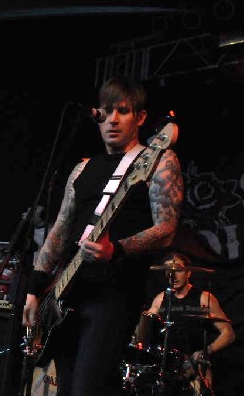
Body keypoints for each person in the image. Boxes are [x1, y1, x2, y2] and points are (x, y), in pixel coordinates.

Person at [22, 76, 184, 395]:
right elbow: (60, 231)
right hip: (66, 293)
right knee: (66, 387)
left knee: (88, 388)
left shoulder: (157, 161)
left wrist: (117, 250)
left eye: (122, 111)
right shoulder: (83, 169)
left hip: (114, 296)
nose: (112, 119)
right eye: (106, 111)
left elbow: (167, 229)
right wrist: (35, 288)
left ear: (140, 117)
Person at [144, 252, 235, 394]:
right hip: (166, 366)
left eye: (178, 270)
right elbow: (145, 326)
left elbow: (228, 333)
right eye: (169, 271)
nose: (173, 275)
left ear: (189, 273)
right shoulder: (160, 299)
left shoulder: (203, 298)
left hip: (195, 367)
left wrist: (205, 352)